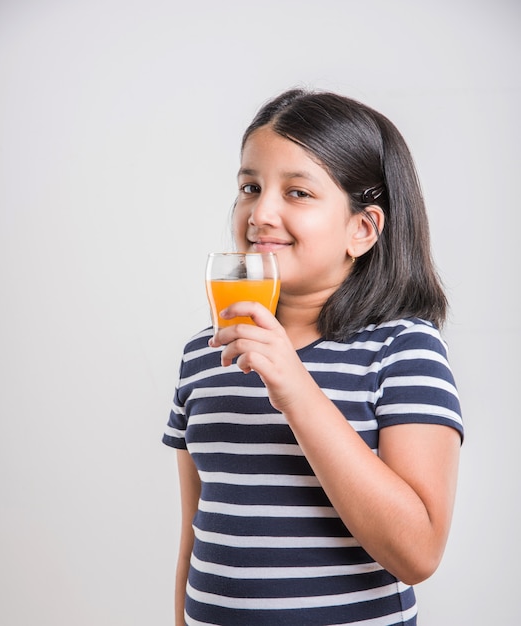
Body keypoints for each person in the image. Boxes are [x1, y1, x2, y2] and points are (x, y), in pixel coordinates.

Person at [163, 88, 464, 626]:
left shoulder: (403, 349)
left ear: (362, 228)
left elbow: (418, 553)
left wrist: (296, 389)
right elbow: (197, 525)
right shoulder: (202, 356)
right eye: (250, 187)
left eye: (298, 192)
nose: (261, 213)